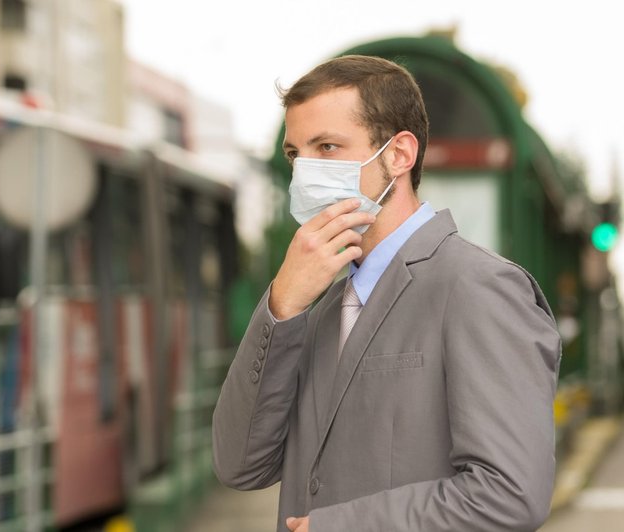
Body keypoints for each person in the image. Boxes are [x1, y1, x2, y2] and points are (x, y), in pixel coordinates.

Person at [212, 54, 561, 532]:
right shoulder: (318, 304)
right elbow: (240, 464)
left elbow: (509, 494)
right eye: (296, 154)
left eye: (328, 147)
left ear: (399, 154)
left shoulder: (480, 288)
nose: (305, 171)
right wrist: (283, 305)